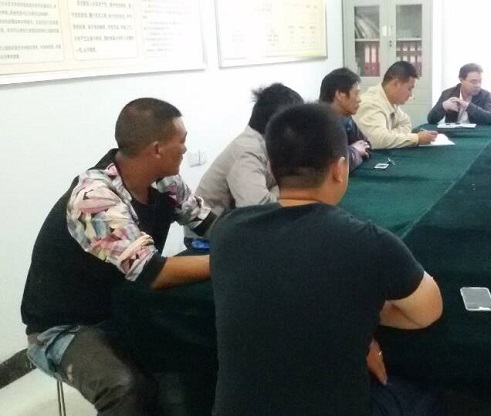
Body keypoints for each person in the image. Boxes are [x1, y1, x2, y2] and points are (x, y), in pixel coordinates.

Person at [210, 103, 444, 416]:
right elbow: (427, 312)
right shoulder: (370, 242)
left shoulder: (226, 232)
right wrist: (360, 313)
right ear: (340, 168)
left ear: (272, 167)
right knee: (426, 395)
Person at [21, 98, 215, 415]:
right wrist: (228, 261)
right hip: (65, 327)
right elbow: (152, 272)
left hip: (124, 305)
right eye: (181, 141)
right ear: (156, 149)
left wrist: (247, 241)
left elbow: (208, 223)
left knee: (192, 352)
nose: (185, 149)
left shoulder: (166, 182)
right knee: (126, 387)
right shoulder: (94, 198)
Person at [185, 83, 303, 251]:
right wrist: (284, 191)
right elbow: (257, 209)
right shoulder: (248, 150)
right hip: (207, 238)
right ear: (280, 124)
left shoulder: (267, 143)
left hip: (235, 227)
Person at [354, 61, 438, 149]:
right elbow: (378, 141)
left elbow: (406, 124)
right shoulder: (371, 103)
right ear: (396, 84)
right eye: (409, 89)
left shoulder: (391, 101)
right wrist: (416, 138)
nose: (410, 94)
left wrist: (389, 135)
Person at [319, 67, 372, 171]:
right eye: (356, 93)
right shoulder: (319, 122)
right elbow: (331, 165)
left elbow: (366, 146)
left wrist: (351, 153)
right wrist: (354, 151)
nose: (360, 99)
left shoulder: (345, 117)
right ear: (340, 95)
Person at [427, 63, 491, 125]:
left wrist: (468, 106)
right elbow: (431, 120)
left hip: (477, 133)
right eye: (473, 81)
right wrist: (443, 106)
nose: (478, 85)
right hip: (453, 133)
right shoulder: (448, 94)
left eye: (480, 81)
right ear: (461, 80)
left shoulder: (486, 95)